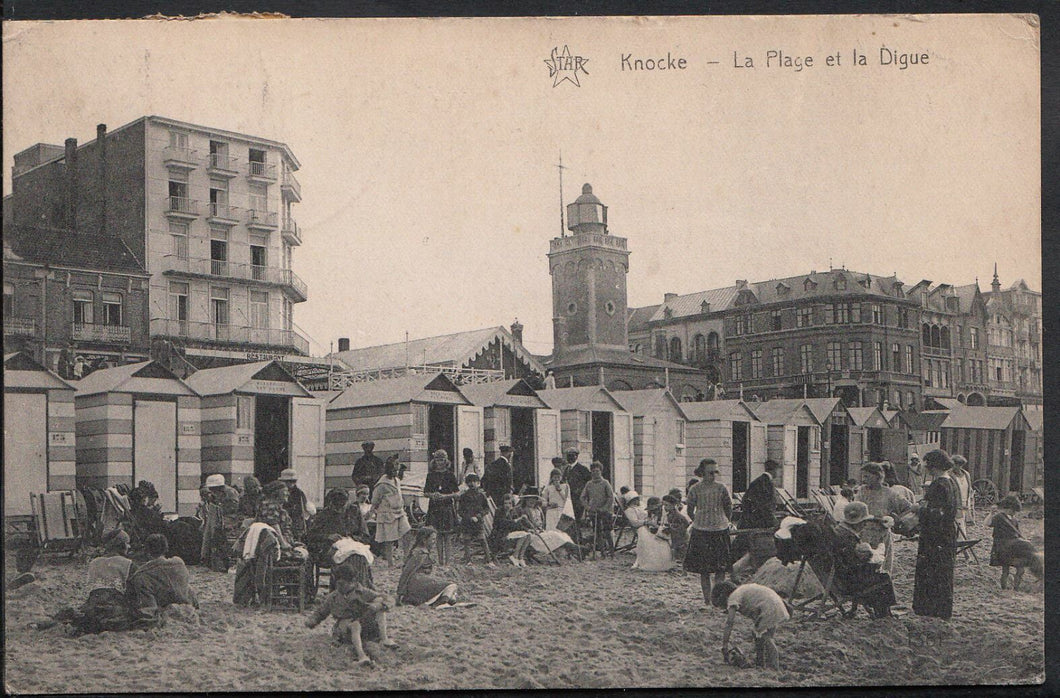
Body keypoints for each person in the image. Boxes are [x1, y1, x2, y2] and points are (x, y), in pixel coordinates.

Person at [306, 545, 398, 665]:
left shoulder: (362, 592)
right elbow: (321, 612)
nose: (340, 587)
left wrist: (379, 605)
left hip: (364, 626)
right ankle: (361, 656)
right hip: (345, 629)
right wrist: (312, 621)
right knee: (354, 625)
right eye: (338, 584)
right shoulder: (334, 597)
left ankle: (384, 639)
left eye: (343, 584)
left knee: (380, 605)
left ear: (353, 582)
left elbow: (388, 599)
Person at [38, 529, 138, 635]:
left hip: (92, 606)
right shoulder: (128, 564)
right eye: (127, 544)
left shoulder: (94, 562)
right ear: (121, 545)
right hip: (114, 606)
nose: (129, 547)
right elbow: (133, 593)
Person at [912, 449, 960, 619]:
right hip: (947, 533)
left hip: (935, 535)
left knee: (931, 571)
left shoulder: (938, 485)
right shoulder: (951, 482)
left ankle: (929, 610)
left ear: (934, 466)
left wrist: (919, 510)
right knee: (943, 572)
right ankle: (942, 610)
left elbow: (937, 513)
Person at [833, 502, 898, 618]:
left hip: (839, 577)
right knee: (883, 577)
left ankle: (882, 612)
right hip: (849, 581)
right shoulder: (848, 537)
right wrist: (871, 559)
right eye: (864, 522)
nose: (865, 525)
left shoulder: (839, 531)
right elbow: (856, 560)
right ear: (857, 522)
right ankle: (884, 614)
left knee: (875, 573)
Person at [685, 459, 734, 606]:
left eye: (715, 472)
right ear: (702, 473)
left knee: (720, 568)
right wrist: (699, 520)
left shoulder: (722, 488)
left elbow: (728, 506)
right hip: (701, 532)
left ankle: (717, 598)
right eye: (710, 473)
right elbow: (689, 509)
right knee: (704, 570)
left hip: (720, 530)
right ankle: (707, 600)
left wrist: (725, 520)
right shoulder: (695, 489)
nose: (713, 476)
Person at [713, 580, 790, 671]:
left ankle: (774, 666)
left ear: (723, 596)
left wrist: (725, 645)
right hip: (775, 603)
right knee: (758, 633)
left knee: (765, 636)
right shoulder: (741, 590)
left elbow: (729, 623)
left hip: (768, 608)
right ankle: (760, 662)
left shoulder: (733, 597)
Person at [126, 534, 199, 628]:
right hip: (187, 605)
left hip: (163, 611)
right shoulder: (179, 563)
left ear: (146, 551)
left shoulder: (142, 574)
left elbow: (148, 606)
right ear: (166, 549)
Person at [855, 462, 912, 575]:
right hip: (864, 534)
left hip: (882, 535)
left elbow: (908, 508)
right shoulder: (861, 491)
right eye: (862, 476)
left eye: (867, 476)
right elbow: (856, 510)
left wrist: (894, 519)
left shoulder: (890, 493)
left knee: (882, 569)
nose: (863, 480)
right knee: (864, 568)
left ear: (878, 476)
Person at [396, 526, 462, 607]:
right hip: (418, 583)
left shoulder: (420, 552)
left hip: (418, 582)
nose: (434, 542)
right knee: (452, 586)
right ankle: (442, 602)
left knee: (450, 592)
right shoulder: (420, 554)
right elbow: (407, 572)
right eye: (433, 539)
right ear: (424, 540)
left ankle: (445, 600)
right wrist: (400, 592)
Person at [370, 457, 412, 567]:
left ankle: (406, 558)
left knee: (407, 532)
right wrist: (372, 512)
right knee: (389, 539)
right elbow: (375, 500)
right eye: (394, 469)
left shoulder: (396, 480)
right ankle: (390, 563)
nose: (396, 471)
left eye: (397, 469)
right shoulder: (382, 484)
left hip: (399, 511)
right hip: (387, 513)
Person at [423, 449, 460, 565]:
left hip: (446, 506)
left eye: (442, 460)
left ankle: (447, 562)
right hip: (435, 507)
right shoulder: (430, 475)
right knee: (438, 535)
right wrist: (432, 495)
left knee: (447, 536)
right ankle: (440, 561)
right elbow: (425, 492)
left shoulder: (450, 475)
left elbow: (457, 493)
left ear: (446, 461)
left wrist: (445, 496)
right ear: (434, 461)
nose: (440, 462)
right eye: (438, 460)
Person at [986, 495, 1029, 590]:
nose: (1014, 513)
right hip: (1003, 548)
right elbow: (987, 524)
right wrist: (991, 513)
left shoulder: (1014, 520)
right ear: (1008, 508)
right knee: (1006, 570)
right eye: (1013, 510)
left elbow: (1018, 534)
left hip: (1014, 547)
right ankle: (1004, 589)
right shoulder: (999, 517)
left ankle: (1016, 589)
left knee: (1021, 569)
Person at [307, 489, 355, 565]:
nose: (339, 510)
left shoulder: (354, 512)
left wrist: (351, 539)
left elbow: (365, 535)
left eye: (342, 506)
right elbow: (311, 535)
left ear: (347, 502)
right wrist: (328, 536)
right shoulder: (324, 515)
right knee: (341, 558)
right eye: (336, 507)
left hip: (353, 547)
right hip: (331, 548)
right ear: (331, 504)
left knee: (357, 558)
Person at [457, 473, 495, 567]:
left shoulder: (481, 496)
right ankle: (468, 560)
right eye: (469, 482)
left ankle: (489, 560)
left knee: (483, 540)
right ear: (467, 484)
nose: (472, 484)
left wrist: (480, 515)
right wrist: (469, 517)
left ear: (478, 483)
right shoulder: (463, 496)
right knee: (467, 541)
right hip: (467, 522)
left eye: (474, 482)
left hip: (478, 522)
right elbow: (460, 511)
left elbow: (486, 509)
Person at [630, 493, 673, 572]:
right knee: (642, 530)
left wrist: (656, 527)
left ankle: (641, 561)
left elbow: (668, 531)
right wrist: (650, 526)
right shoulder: (652, 514)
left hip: (664, 540)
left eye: (655, 509)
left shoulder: (666, 514)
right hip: (656, 536)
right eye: (652, 510)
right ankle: (638, 560)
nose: (653, 511)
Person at [580, 462, 615, 554]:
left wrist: (604, 508)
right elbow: (582, 497)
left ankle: (611, 551)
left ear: (601, 471)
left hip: (606, 512)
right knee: (597, 532)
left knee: (607, 532)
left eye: (597, 471)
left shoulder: (605, 483)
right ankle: (602, 552)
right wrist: (588, 507)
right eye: (593, 471)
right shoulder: (589, 484)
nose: (595, 473)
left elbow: (611, 497)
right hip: (594, 512)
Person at [506, 489, 545, 567]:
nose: (532, 501)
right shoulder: (520, 509)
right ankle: (517, 556)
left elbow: (541, 522)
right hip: (525, 532)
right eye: (529, 499)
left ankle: (520, 557)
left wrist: (540, 528)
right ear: (525, 500)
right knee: (528, 535)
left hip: (536, 531)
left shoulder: (538, 510)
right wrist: (530, 529)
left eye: (534, 499)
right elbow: (517, 524)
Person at [280, 469, 311, 543]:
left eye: (293, 481)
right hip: (281, 521)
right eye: (288, 481)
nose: (291, 484)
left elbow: (302, 509)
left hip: (295, 522)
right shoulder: (278, 492)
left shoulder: (299, 493)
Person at [562, 448, 592, 521]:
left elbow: (589, 483)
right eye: (568, 456)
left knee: (577, 519)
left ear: (576, 456)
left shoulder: (582, 469)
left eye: (572, 456)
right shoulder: (566, 469)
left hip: (578, 499)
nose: (569, 458)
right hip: (568, 499)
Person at [949, 455, 974, 538]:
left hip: (965, 503)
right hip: (956, 504)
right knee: (959, 526)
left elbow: (969, 489)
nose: (955, 467)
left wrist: (969, 504)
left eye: (958, 465)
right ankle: (961, 542)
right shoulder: (950, 476)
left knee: (963, 525)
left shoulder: (966, 474)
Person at [663, 494, 691, 562]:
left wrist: (672, 527)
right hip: (675, 539)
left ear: (673, 505)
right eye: (664, 505)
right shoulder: (669, 514)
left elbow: (686, 524)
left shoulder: (678, 515)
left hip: (681, 540)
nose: (665, 507)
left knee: (681, 558)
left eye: (667, 505)